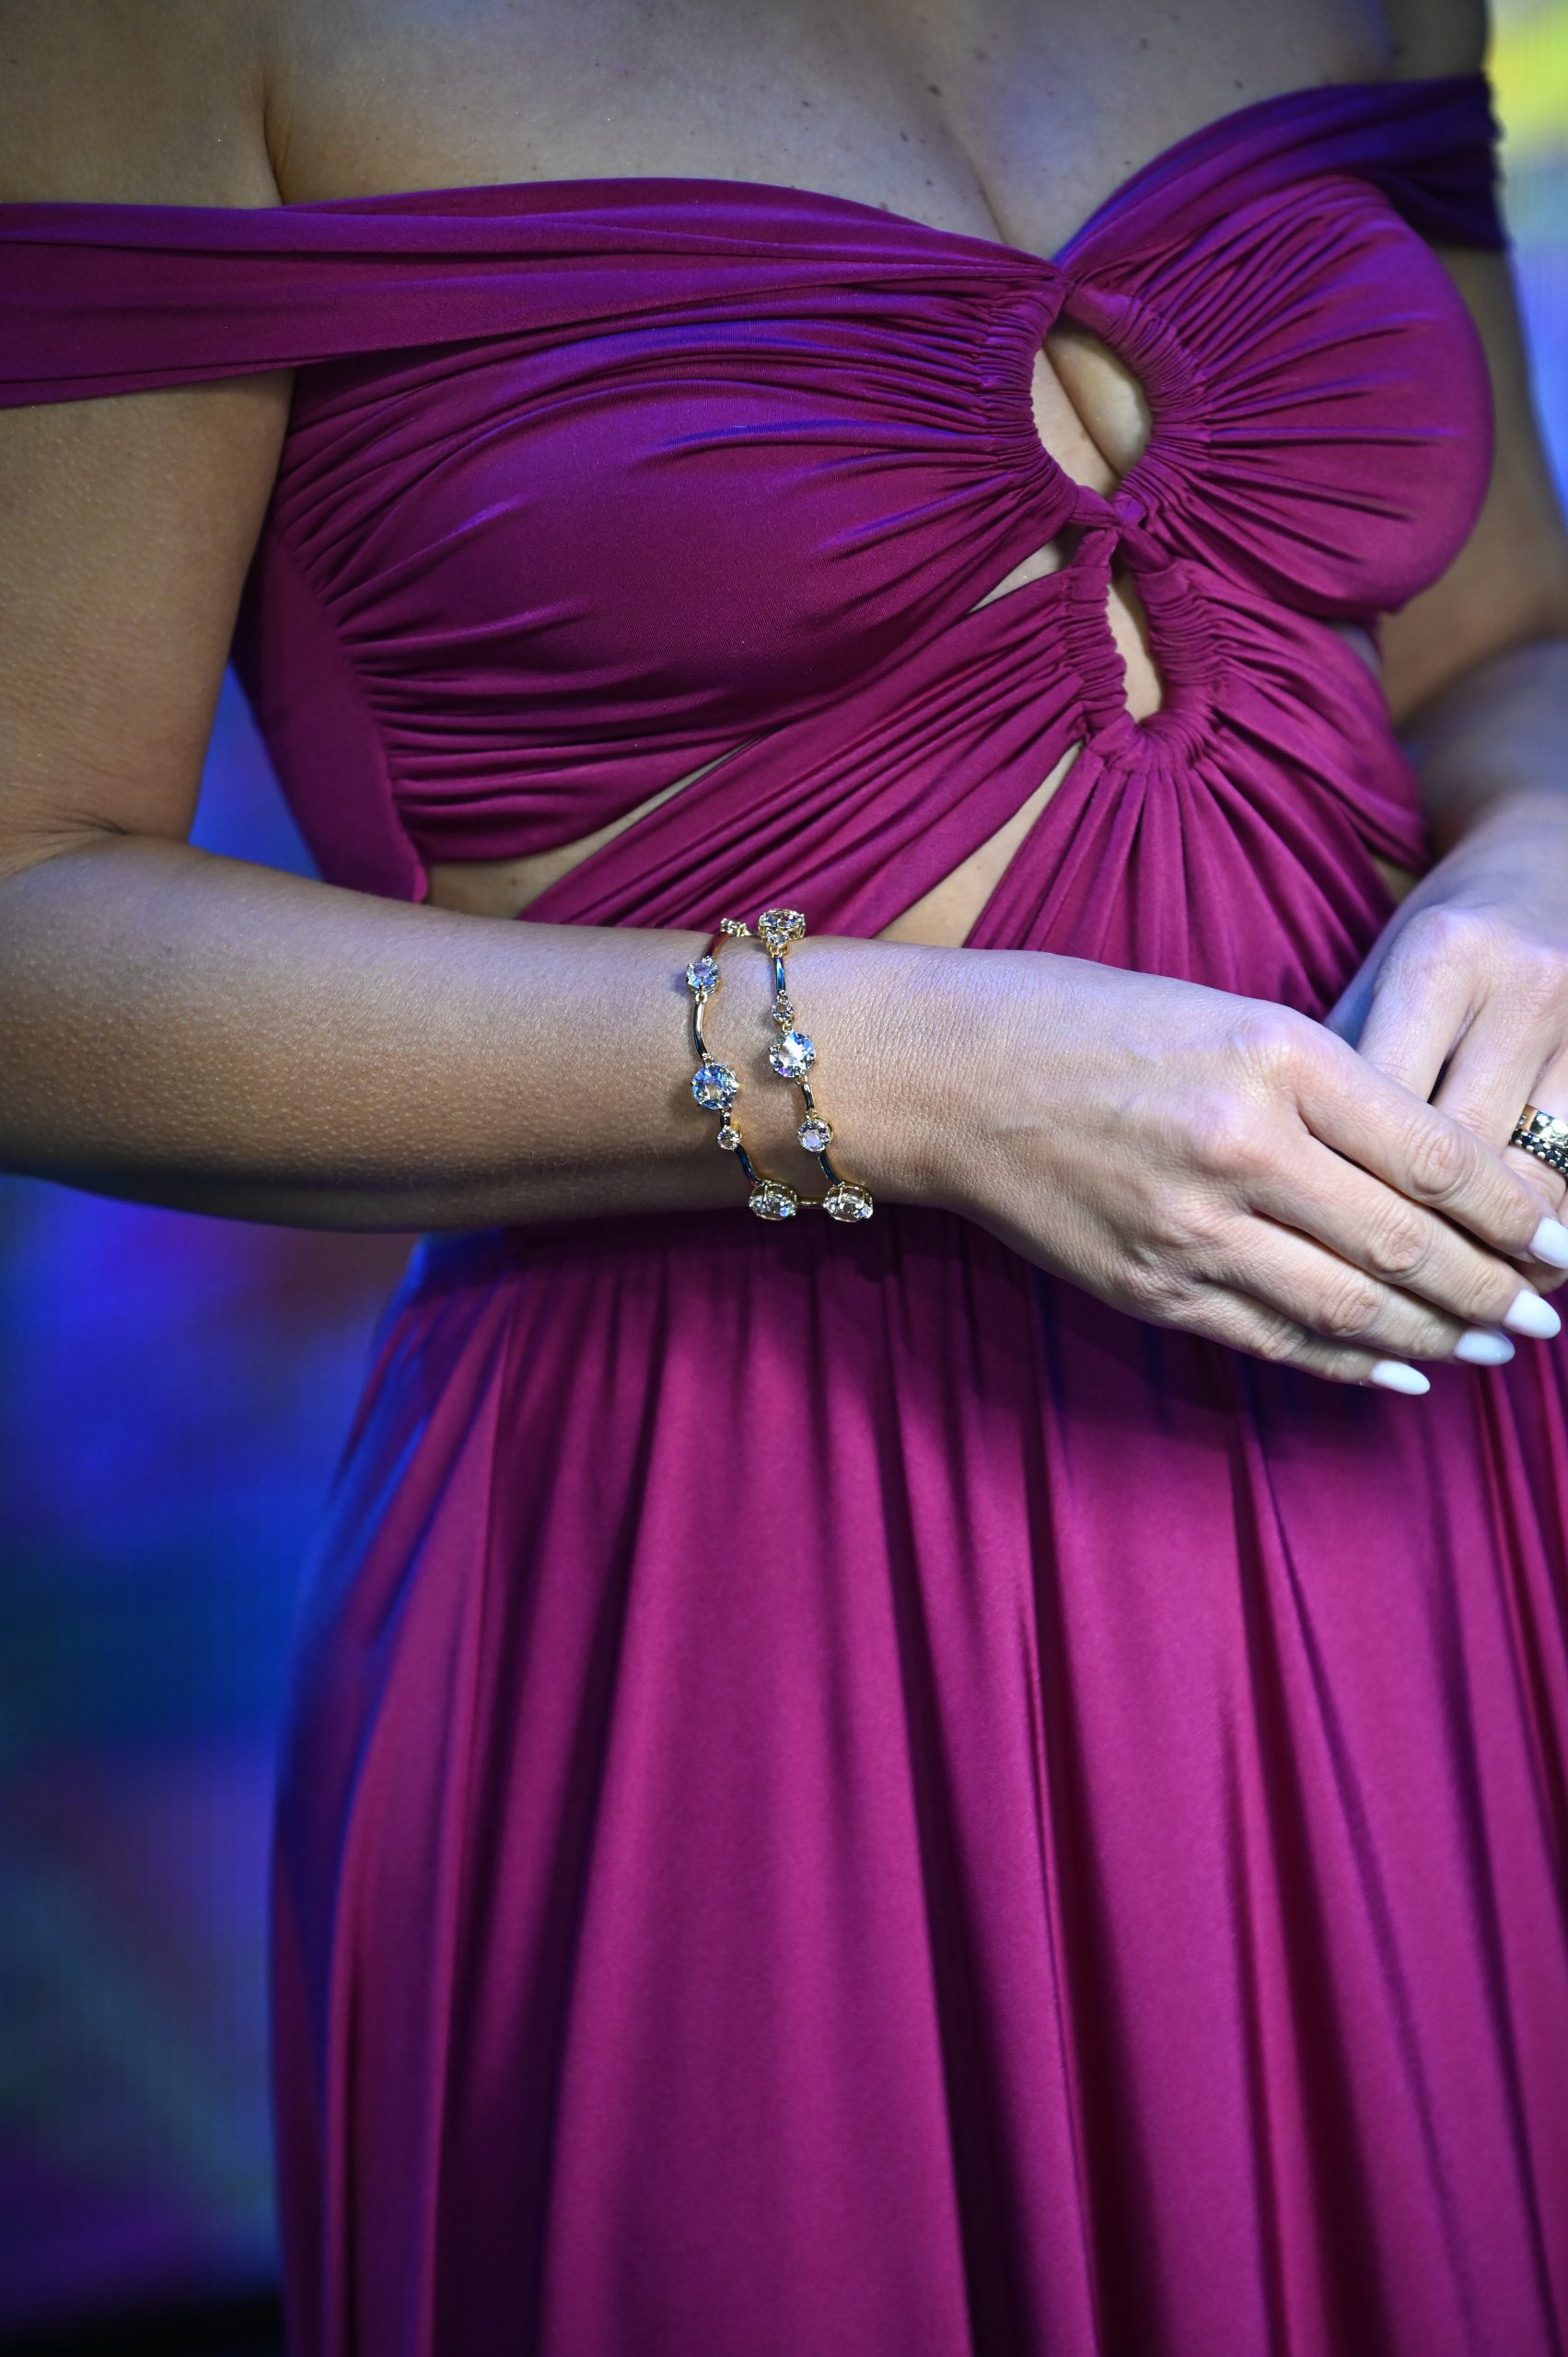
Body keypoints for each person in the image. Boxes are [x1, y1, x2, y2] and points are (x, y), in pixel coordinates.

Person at [4, 0, 1568, 2347]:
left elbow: (1498, 640)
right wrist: (906, 1073)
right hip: (754, 1554)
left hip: (1451, 1454)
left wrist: (1545, 845)